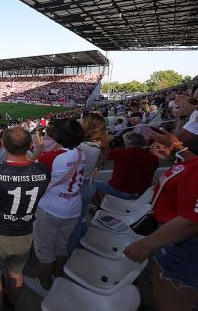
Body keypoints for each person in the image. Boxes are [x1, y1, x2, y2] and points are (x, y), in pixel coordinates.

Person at [0, 127, 51, 311]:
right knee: (16, 273)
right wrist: (37, 152)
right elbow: (29, 169)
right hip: (25, 233)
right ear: (29, 145)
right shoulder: (43, 170)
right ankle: (10, 304)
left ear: (4, 146)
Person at [124, 128, 198, 311]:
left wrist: (145, 244)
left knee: (174, 305)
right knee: (163, 293)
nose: (183, 97)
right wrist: (177, 149)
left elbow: (191, 221)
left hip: (185, 247)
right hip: (173, 238)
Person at [26, 119, 85, 294]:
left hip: (51, 210)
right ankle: (57, 276)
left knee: (44, 251)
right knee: (61, 246)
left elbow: (29, 169)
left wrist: (38, 149)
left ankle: (44, 285)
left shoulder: (50, 158)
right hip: (73, 208)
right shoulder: (81, 153)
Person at [68, 113, 109, 253]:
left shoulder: (82, 147)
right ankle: (83, 242)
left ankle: (72, 252)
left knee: (73, 225)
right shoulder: (98, 144)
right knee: (80, 219)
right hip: (89, 185)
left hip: (79, 187)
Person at [94, 132, 159, 200]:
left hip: (118, 190)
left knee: (91, 183)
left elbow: (102, 154)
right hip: (140, 194)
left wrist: (107, 142)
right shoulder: (154, 158)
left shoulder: (120, 152)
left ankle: (100, 205)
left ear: (126, 143)